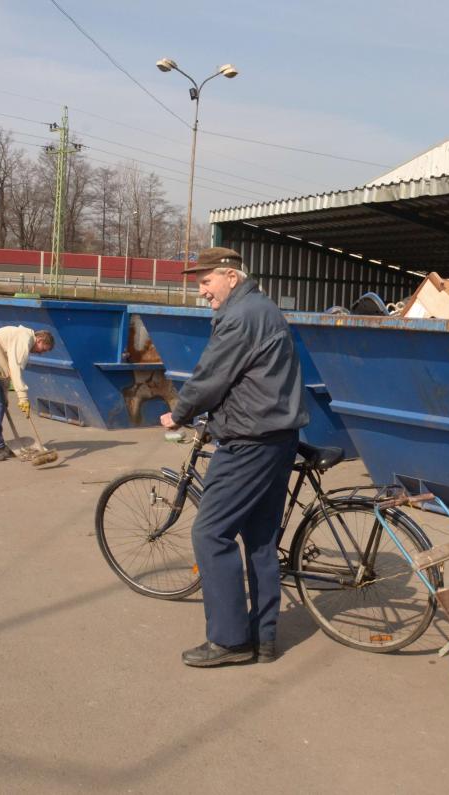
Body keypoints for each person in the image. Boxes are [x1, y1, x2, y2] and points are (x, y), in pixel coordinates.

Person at [160, 247, 309, 667]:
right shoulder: (262, 308)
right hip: (278, 436)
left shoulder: (241, 317)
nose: (202, 291)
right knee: (260, 540)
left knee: (210, 534)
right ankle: (263, 639)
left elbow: (211, 375)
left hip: (249, 440)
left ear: (230, 275)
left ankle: (229, 641)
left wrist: (180, 412)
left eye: (206, 281)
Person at [0, 325, 54, 461]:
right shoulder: (24, 340)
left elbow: (8, 367)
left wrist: (5, 396)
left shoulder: (20, 336)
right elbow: (16, 368)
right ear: (39, 340)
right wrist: (23, 398)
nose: (40, 353)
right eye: (42, 349)